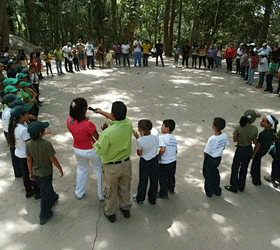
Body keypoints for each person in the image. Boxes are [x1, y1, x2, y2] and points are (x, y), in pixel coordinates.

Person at [93, 101, 133, 223]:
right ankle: (125, 208)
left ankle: (110, 212)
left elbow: (100, 151)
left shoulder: (107, 133)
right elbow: (115, 118)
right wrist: (101, 112)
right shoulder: (128, 123)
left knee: (110, 191)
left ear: (113, 114)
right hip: (126, 164)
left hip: (111, 168)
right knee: (125, 187)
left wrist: (94, 142)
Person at [26, 121, 63, 225]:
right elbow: (52, 158)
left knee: (45, 188)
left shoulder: (28, 144)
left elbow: (29, 159)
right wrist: (60, 168)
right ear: (40, 133)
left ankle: (53, 196)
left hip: (36, 173)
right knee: (44, 193)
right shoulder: (47, 144)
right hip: (46, 173)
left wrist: (30, 172)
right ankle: (44, 214)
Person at [67, 98, 104, 201]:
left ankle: (79, 193)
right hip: (92, 150)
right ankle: (101, 195)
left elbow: (76, 127)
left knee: (81, 169)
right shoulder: (89, 125)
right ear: (84, 110)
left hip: (78, 149)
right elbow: (97, 137)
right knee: (98, 170)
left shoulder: (69, 121)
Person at [7, 105, 40, 198]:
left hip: (19, 153)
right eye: (26, 114)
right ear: (21, 116)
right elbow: (29, 143)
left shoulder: (14, 126)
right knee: (32, 173)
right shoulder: (23, 130)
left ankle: (28, 190)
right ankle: (37, 192)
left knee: (25, 174)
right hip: (27, 155)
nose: (28, 115)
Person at [224, 110, 260, 193]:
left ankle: (234, 186)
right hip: (248, 149)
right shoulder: (254, 129)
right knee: (244, 168)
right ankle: (241, 186)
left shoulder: (238, 127)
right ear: (253, 120)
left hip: (240, 149)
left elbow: (235, 140)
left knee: (235, 167)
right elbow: (255, 142)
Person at [133, 120, 159, 205]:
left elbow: (139, 153)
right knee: (154, 180)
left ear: (140, 130)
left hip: (145, 161)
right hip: (154, 160)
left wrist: (137, 138)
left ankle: (140, 198)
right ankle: (152, 199)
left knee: (143, 180)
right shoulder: (155, 136)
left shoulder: (140, 141)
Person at [203, 117, 229, 197]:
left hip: (210, 158)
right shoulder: (224, 135)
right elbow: (225, 146)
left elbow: (206, 151)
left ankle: (209, 191)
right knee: (215, 173)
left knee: (207, 175)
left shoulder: (212, 139)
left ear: (214, 127)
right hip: (218, 158)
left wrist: (205, 159)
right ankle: (216, 189)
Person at [250, 115, 278, 185]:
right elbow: (274, 139)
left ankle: (256, 180)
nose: (261, 122)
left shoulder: (263, 134)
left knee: (256, 162)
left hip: (260, 151)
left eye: (263, 121)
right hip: (265, 149)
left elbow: (258, 145)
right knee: (256, 162)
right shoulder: (273, 132)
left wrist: (254, 153)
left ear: (268, 124)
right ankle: (253, 173)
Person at [2, 94, 22, 177]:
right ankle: (18, 171)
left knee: (14, 151)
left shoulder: (6, 110)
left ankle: (18, 171)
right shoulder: (9, 113)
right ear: (9, 103)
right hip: (11, 133)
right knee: (15, 151)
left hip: (8, 132)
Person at [158, 119, 177, 199]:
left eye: (162, 126)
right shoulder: (173, 138)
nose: (161, 128)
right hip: (173, 161)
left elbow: (162, 149)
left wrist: (159, 156)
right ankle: (171, 189)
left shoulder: (162, 138)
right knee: (171, 176)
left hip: (164, 163)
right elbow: (176, 151)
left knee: (162, 178)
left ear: (167, 128)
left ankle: (163, 193)